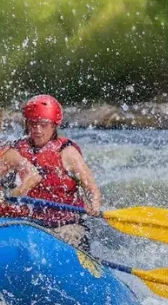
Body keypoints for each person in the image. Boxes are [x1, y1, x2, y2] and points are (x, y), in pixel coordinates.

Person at [13, 94, 102, 249]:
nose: (37, 130)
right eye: (33, 124)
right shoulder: (17, 149)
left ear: (54, 125)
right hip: (29, 224)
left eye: (44, 124)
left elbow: (91, 188)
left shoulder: (67, 153)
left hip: (66, 226)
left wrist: (94, 203)